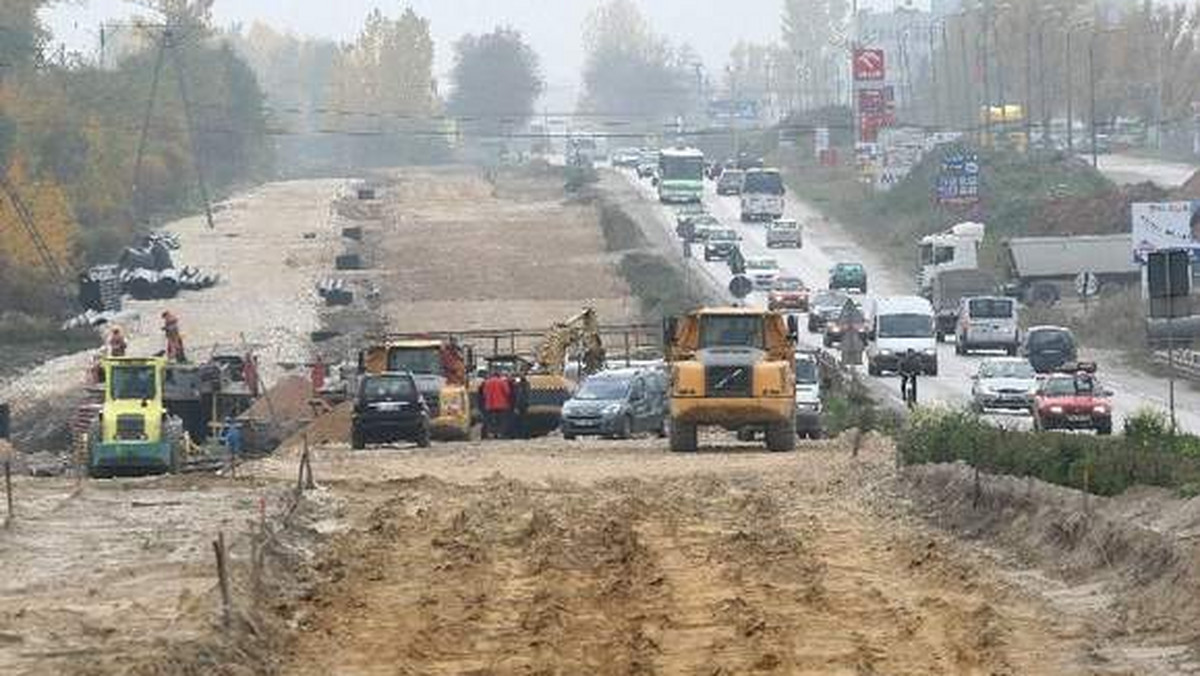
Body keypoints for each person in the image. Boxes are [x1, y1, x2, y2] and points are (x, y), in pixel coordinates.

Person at [480, 371, 513, 440]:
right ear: (499, 375)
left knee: (491, 420)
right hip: (502, 405)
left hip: (490, 404)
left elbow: (484, 393)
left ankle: (491, 434)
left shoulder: (487, 382)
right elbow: (507, 392)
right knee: (502, 420)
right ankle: (500, 434)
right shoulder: (502, 382)